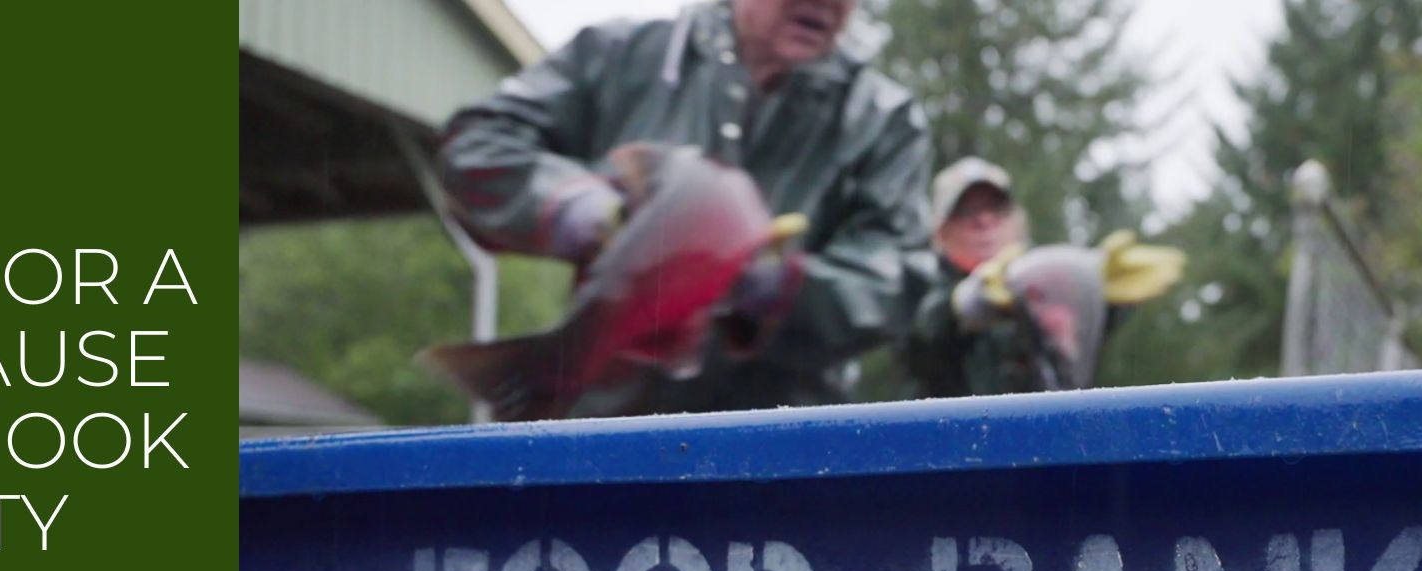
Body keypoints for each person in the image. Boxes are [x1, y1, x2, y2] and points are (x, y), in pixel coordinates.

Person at [438, 0, 933, 415]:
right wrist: (574, 206)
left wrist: (782, 288)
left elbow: (899, 277)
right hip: (608, 436)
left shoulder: (883, 118)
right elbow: (476, 148)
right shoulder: (618, 55)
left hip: (783, 452)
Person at [896, 156, 1048, 397]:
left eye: (996, 208)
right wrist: (966, 302)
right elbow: (921, 340)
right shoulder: (915, 281)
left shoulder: (1041, 281)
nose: (984, 221)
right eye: (968, 211)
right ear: (942, 231)